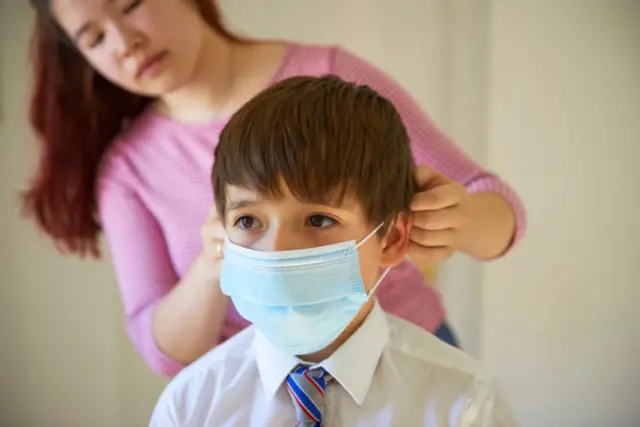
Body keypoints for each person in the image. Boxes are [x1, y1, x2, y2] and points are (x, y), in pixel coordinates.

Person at [24, 0, 527, 377]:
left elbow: (497, 208)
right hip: (257, 393)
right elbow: (164, 353)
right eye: (93, 38)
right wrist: (214, 262)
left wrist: (457, 222)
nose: (124, 42)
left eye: (131, 3)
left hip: (407, 360)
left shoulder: (329, 76)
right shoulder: (127, 173)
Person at [149, 75, 517, 426]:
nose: (277, 252)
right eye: (248, 221)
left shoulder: (463, 403)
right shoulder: (191, 404)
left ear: (390, 240)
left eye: (319, 220)